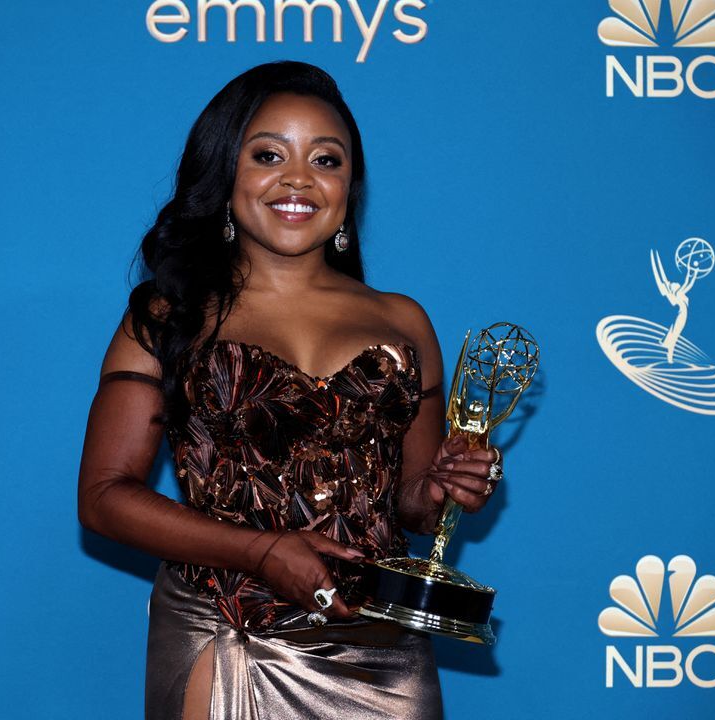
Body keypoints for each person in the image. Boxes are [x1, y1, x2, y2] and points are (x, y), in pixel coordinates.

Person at [77, 60, 502, 720]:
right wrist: (264, 552)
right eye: (269, 154)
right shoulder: (169, 315)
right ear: (226, 175)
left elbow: (413, 508)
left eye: (326, 160)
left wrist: (447, 485)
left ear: (349, 187)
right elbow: (104, 497)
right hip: (229, 632)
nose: (299, 179)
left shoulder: (403, 321)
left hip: (379, 650)